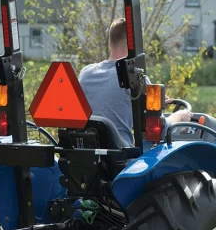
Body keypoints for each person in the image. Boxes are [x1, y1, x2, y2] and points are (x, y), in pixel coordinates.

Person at [78, 18, 192, 146]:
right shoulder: (135, 77)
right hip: (119, 159)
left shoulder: (85, 73)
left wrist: (151, 102)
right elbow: (157, 130)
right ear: (136, 46)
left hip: (84, 152)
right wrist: (179, 117)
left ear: (109, 42)